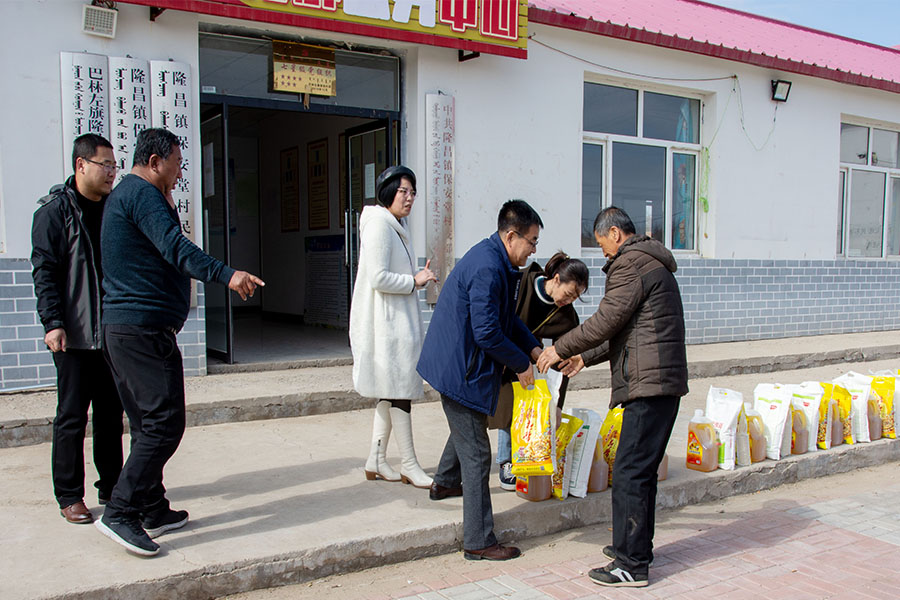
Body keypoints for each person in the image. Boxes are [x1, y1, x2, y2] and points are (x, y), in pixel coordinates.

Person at [95, 128, 265, 557]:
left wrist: (167, 203)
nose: (179, 171)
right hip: (138, 331)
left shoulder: (141, 196)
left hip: (139, 330)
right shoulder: (141, 195)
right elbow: (175, 248)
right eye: (176, 163)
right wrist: (228, 275)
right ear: (154, 162)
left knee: (149, 422)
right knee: (162, 423)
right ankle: (120, 512)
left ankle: (151, 506)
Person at [537, 206, 688, 588]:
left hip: (648, 385)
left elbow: (607, 319)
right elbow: (627, 329)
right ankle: (633, 547)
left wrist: (559, 349)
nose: (604, 254)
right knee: (639, 471)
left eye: (603, 245)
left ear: (616, 233)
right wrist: (583, 357)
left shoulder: (629, 264)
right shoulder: (651, 263)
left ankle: (631, 565)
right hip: (661, 382)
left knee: (629, 471)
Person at [417, 200, 543, 561]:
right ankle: (478, 540)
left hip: (459, 363)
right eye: (531, 241)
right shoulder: (489, 267)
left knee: (466, 428)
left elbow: (508, 320)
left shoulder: (498, 261)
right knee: (477, 454)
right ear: (511, 235)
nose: (534, 249)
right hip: (460, 368)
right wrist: (521, 365)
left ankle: (443, 483)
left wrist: (532, 349)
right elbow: (487, 332)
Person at [31, 134, 124, 525]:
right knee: (71, 416)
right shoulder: (54, 212)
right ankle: (69, 494)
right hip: (73, 335)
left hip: (111, 334)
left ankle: (113, 485)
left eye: (114, 166)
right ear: (81, 165)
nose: (111, 173)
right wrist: (53, 323)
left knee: (110, 414)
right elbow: (45, 273)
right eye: (105, 165)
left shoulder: (115, 209)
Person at [350, 165, 437, 489]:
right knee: (400, 394)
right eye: (404, 191)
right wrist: (414, 280)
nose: (409, 198)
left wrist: (416, 279)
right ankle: (410, 465)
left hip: (394, 324)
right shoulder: (379, 226)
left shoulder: (394, 225)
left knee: (391, 393)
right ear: (387, 192)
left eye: (413, 192)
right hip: (385, 327)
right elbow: (378, 277)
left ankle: (375, 459)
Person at [488, 252, 589, 491]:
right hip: (502, 350)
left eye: (575, 298)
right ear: (555, 279)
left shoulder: (566, 315)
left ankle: (522, 459)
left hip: (531, 360)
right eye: (568, 294)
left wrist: (558, 403)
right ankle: (505, 461)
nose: (569, 301)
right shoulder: (521, 282)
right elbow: (500, 317)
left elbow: (563, 361)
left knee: (525, 407)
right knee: (504, 405)